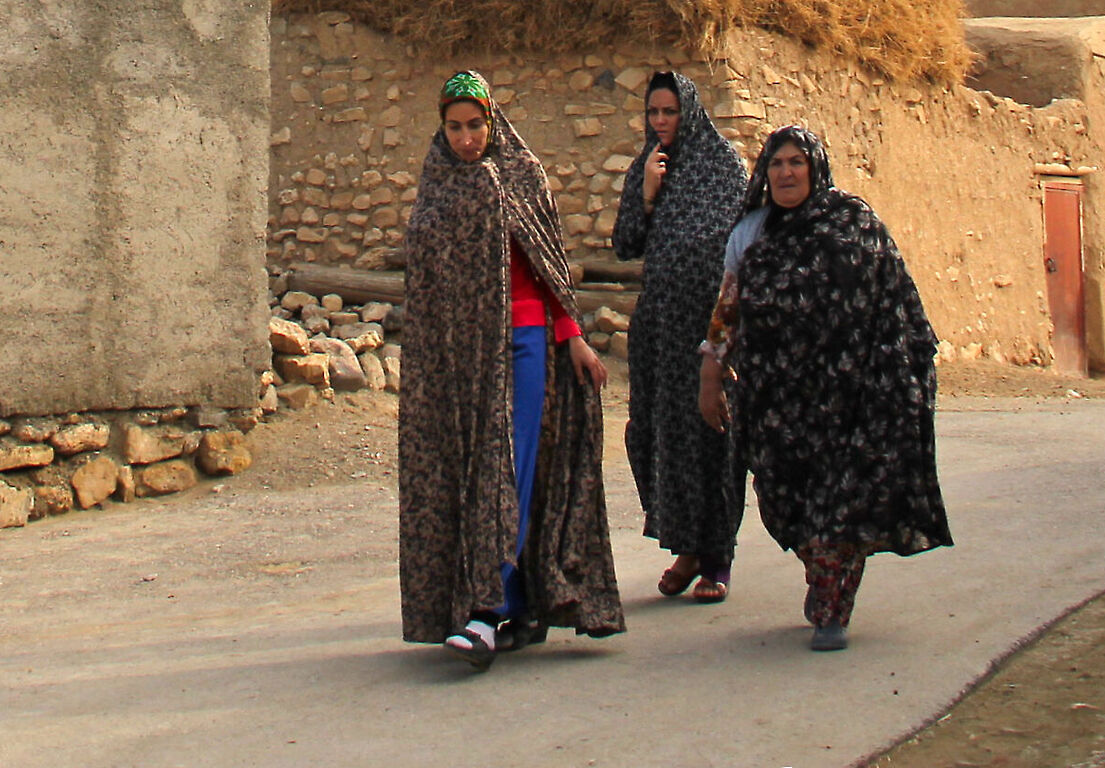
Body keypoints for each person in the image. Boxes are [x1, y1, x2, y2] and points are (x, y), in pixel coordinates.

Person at [400, 70, 624, 670]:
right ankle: (520, 602)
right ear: (441, 129)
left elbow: (548, 263)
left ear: (493, 121)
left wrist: (572, 334)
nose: (467, 138)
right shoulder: (437, 189)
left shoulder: (521, 178)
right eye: (455, 127)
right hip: (463, 357)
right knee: (474, 472)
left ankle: (485, 610)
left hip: (526, 342)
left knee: (511, 470)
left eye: (476, 125)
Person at [699, 126, 951, 651]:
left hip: (852, 401)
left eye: (796, 162)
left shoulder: (856, 225)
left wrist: (902, 375)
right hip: (777, 401)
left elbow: (897, 300)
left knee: (841, 502)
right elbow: (728, 309)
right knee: (787, 498)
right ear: (764, 174)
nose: (786, 173)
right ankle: (822, 577)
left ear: (815, 168)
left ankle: (833, 605)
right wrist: (710, 375)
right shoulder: (752, 231)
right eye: (776, 164)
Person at [612, 72, 750, 603]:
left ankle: (717, 558)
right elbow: (626, 244)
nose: (661, 122)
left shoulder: (723, 169)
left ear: (688, 111)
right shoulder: (648, 167)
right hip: (659, 332)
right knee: (658, 434)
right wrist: (646, 194)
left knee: (710, 438)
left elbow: (738, 251)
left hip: (708, 334)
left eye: (669, 112)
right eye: (654, 113)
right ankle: (685, 548)